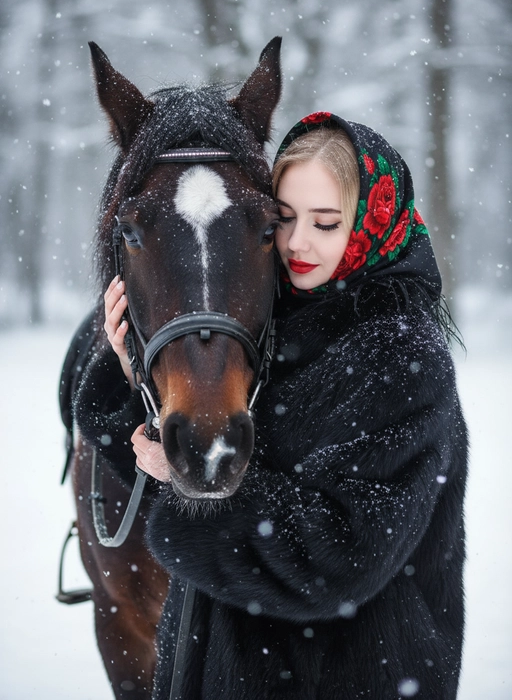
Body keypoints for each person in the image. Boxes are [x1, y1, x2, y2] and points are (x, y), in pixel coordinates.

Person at [104, 112, 468, 699]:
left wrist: (203, 491)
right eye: (285, 219)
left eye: (326, 224)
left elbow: (337, 558)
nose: (297, 244)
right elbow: (176, 456)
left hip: (351, 679)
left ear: (374, 224)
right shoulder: (269, 324)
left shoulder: (399, 355)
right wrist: (136, 375)